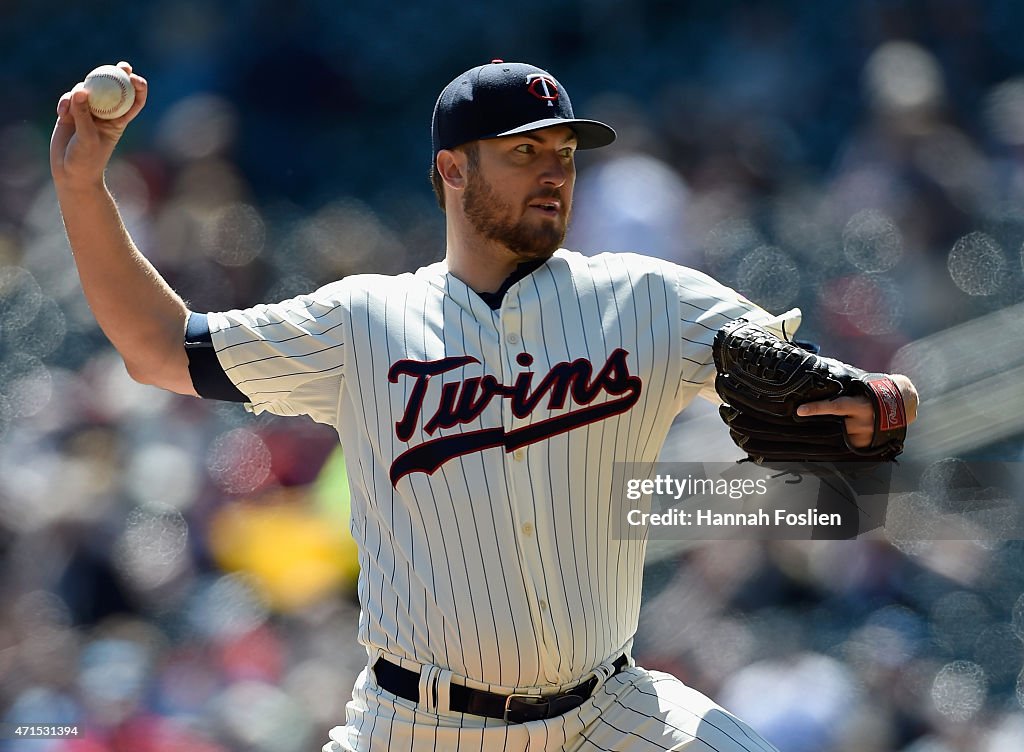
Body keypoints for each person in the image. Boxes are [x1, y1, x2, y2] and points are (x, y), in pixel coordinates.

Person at [51, 59, 918, 751]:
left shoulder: (649, 299)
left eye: (565, 154)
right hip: (420, 726)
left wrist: (878, 399)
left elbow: (803, 375)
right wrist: (85, 189)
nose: (554, 173)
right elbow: (161, 348)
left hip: (608, 715)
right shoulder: (365, 322)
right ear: (451, 169)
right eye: (525, 152)